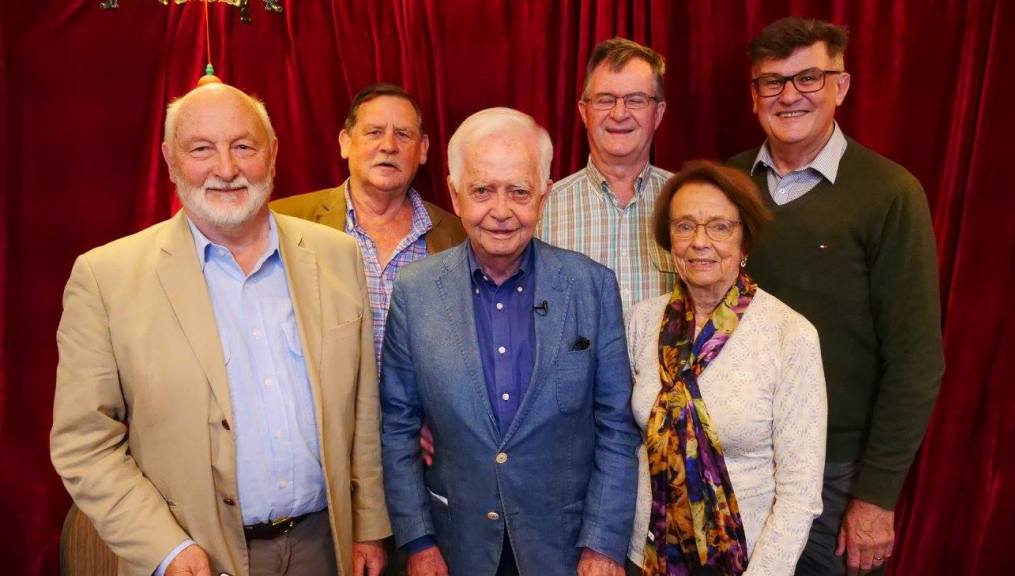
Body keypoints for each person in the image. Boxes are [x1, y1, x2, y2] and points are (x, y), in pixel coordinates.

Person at [50, 83, 390, 576]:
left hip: (326, 546)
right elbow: (84, 443)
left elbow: (362, 408)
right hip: (195, 557)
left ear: (272, 153)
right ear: (170, 160)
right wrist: (165, 549)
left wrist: (369, 525)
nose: (226, 169)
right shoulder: (106, 279)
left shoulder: (337, 256)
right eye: (201, 149)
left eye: (243, 146)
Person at [380, 107, 640, 576]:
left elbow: (617, 428)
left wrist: (602, 545)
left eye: (519, 191)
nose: (501, 211)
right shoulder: (415, 292)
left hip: (566, 548)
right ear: (456, 195)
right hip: (454, 543)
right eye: (482, 190)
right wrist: (418, 541)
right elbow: (398, 426)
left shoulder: (592, 287)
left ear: (543, 195)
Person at [726, 17, 945, 576]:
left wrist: (876, 497)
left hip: (835, 472)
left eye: (809, 79)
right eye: (773, 82)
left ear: (841, 87)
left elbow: (916, 360)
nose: (790, 95)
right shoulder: (728, 184)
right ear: (754, 96)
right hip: (733, 464)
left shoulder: (890, 194)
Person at [626, 160, 827, 576]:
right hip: (644, 559)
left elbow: (799, 490)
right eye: (684, 226)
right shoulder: (640, 323)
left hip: (743, 563)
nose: (700, 242)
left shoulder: (789, 336)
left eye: (720, 227)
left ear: (745, 241)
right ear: (669, 240)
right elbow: (626, 447)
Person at [271, 83, 464, 364]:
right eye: (374, 132)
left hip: (422, 409)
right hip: (329, 407)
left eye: (403, 134)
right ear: (345, 142)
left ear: (423, 149)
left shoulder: (458, 234)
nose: (388, 146)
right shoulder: (285, 221)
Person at [537, 37, 675, 311]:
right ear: (584, 112)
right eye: (605, 100)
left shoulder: (688, 203)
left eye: (636, 100)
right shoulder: (544, 208)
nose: (619, 113)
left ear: (657, 113)